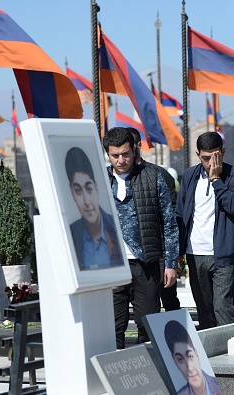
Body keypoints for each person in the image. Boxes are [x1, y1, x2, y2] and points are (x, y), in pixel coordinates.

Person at [103, 127, 179, 349]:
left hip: (146, 264)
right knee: (112, 327)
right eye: (115, 155)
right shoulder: (99, 179)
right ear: (108, 153)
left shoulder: (152, 177)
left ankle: (150, 374)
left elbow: (169, 223)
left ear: (134, 149)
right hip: (111, 265)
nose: (121, 160)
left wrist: (171, 263)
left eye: (125, 153)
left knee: (148, 325)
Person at [176, 132, 234, 329]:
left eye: (215, 156)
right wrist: (178, 251)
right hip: (195, 253)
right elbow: (181, 213)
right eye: (205, 158)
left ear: (223, 152)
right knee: (204, 309)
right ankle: (210, 354)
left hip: (222, 253)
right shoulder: (190, 175)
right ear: (198, 154)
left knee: (222, 309)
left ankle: (227, 351)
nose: (210, 163)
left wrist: (216, 181)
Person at [128, 128, 180, 311]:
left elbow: (172, 216)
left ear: (137, 147)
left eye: (128, 150)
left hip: (159, 252)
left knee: (168, 299)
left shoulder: (158, 175)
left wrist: (171, 258)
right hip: (134, 257)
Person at [65, 147, 124, 270]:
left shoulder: (115, 226)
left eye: (89, 189)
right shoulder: (70, 234)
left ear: (96, 187)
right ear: (72, 193)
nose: (87, 201)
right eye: (78, 191)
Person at [164, 320, 222, 395]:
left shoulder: (216, 384)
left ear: (196, 353)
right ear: (175, 361)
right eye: (180, 359)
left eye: (190, 356)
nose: (190, 368)